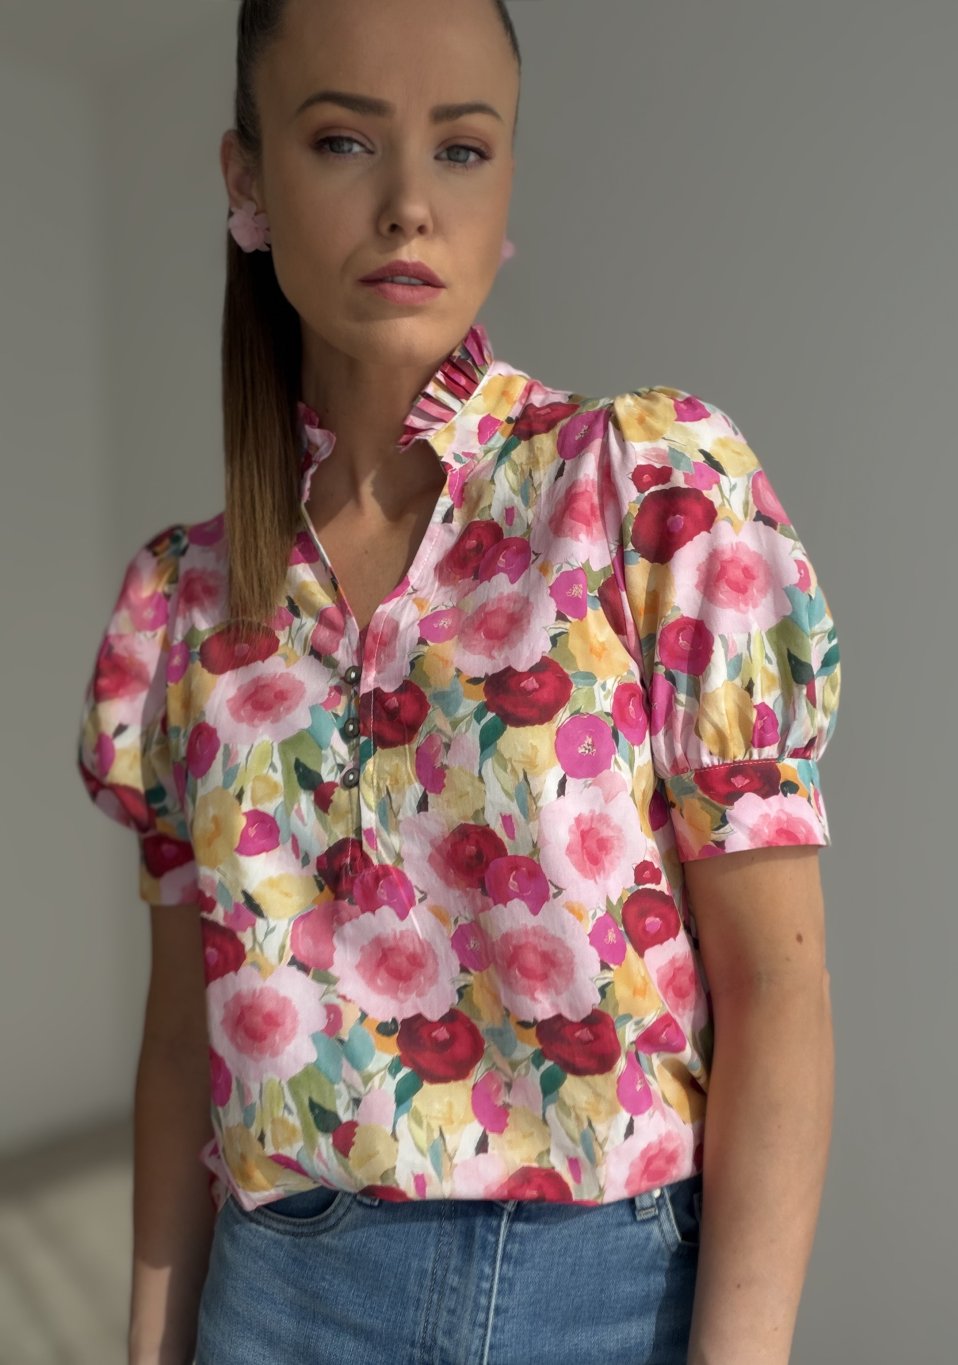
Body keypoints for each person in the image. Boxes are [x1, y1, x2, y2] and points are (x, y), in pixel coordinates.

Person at [76, 1, 841, 1362]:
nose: (410, 204)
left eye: (464, 149)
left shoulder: (645, 491)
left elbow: (779, 994)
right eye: (342, 141)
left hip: (611, 1303)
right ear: (247, 180)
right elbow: (184, 1050)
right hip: (274, 1305)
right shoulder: (184, 608)